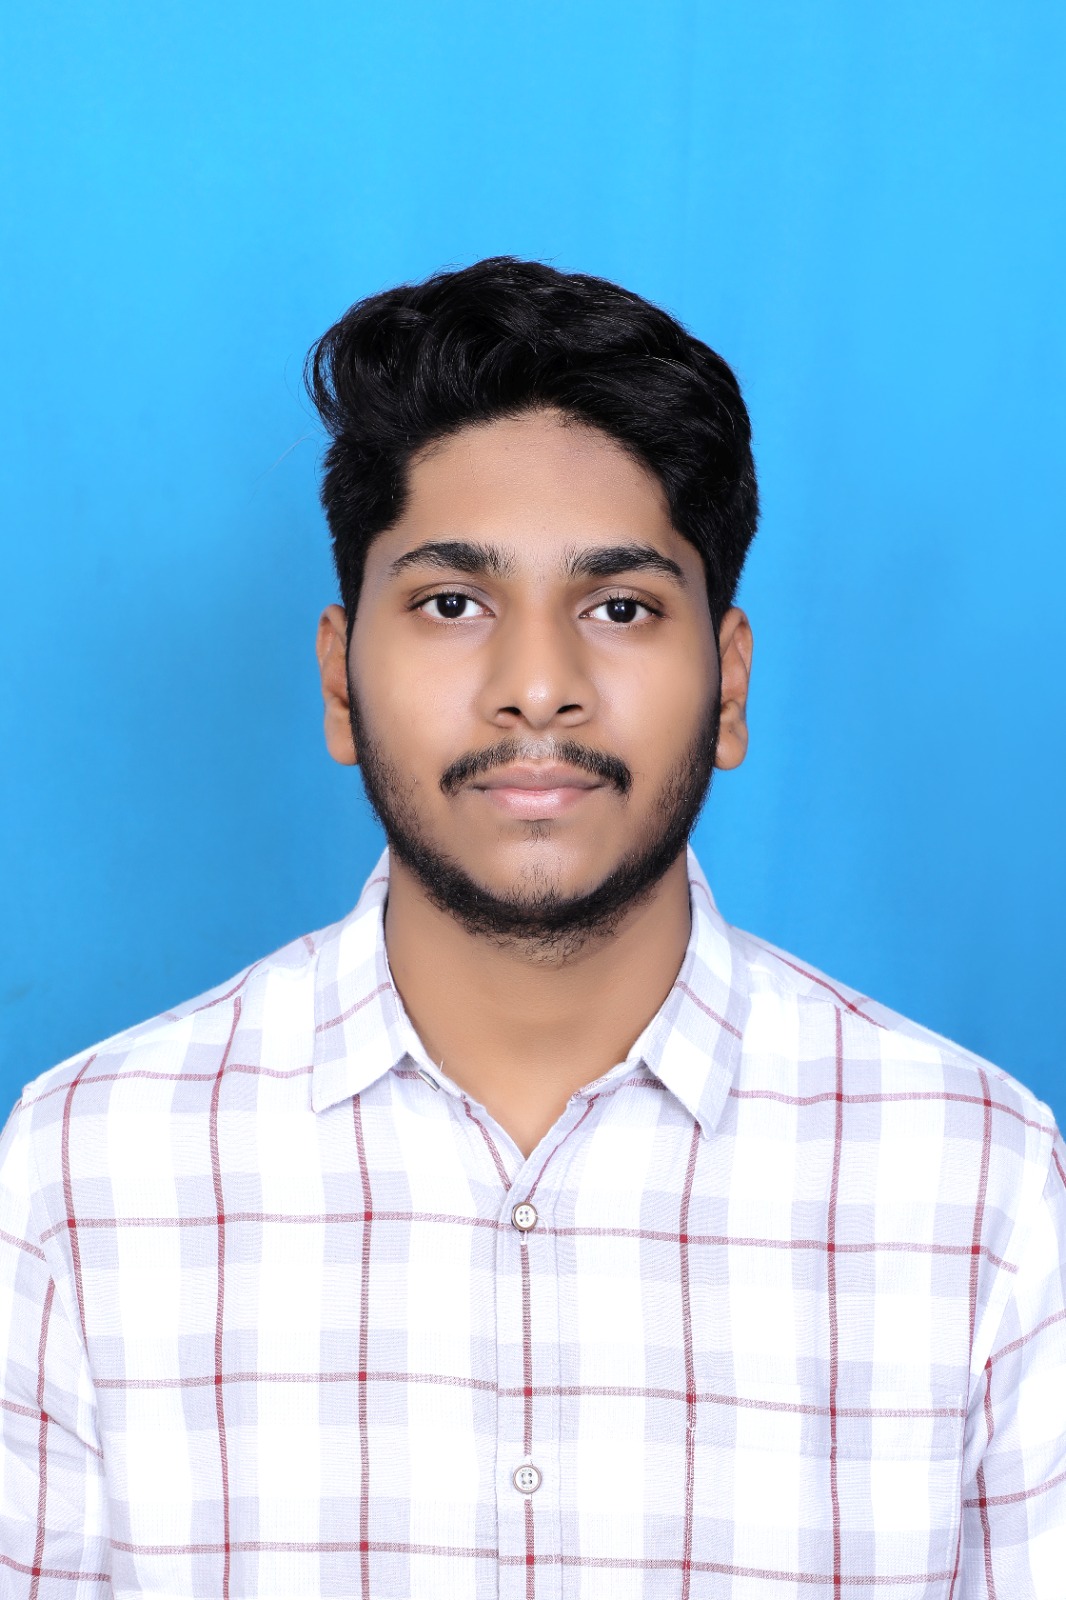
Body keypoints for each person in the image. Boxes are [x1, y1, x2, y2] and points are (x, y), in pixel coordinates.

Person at [1, 257, 1063, 1600]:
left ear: (729, 686)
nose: (539, 688)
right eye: (452, 604)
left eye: (620, 608)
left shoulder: (980, 1188)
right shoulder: (81, 1178)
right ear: (339, 682)